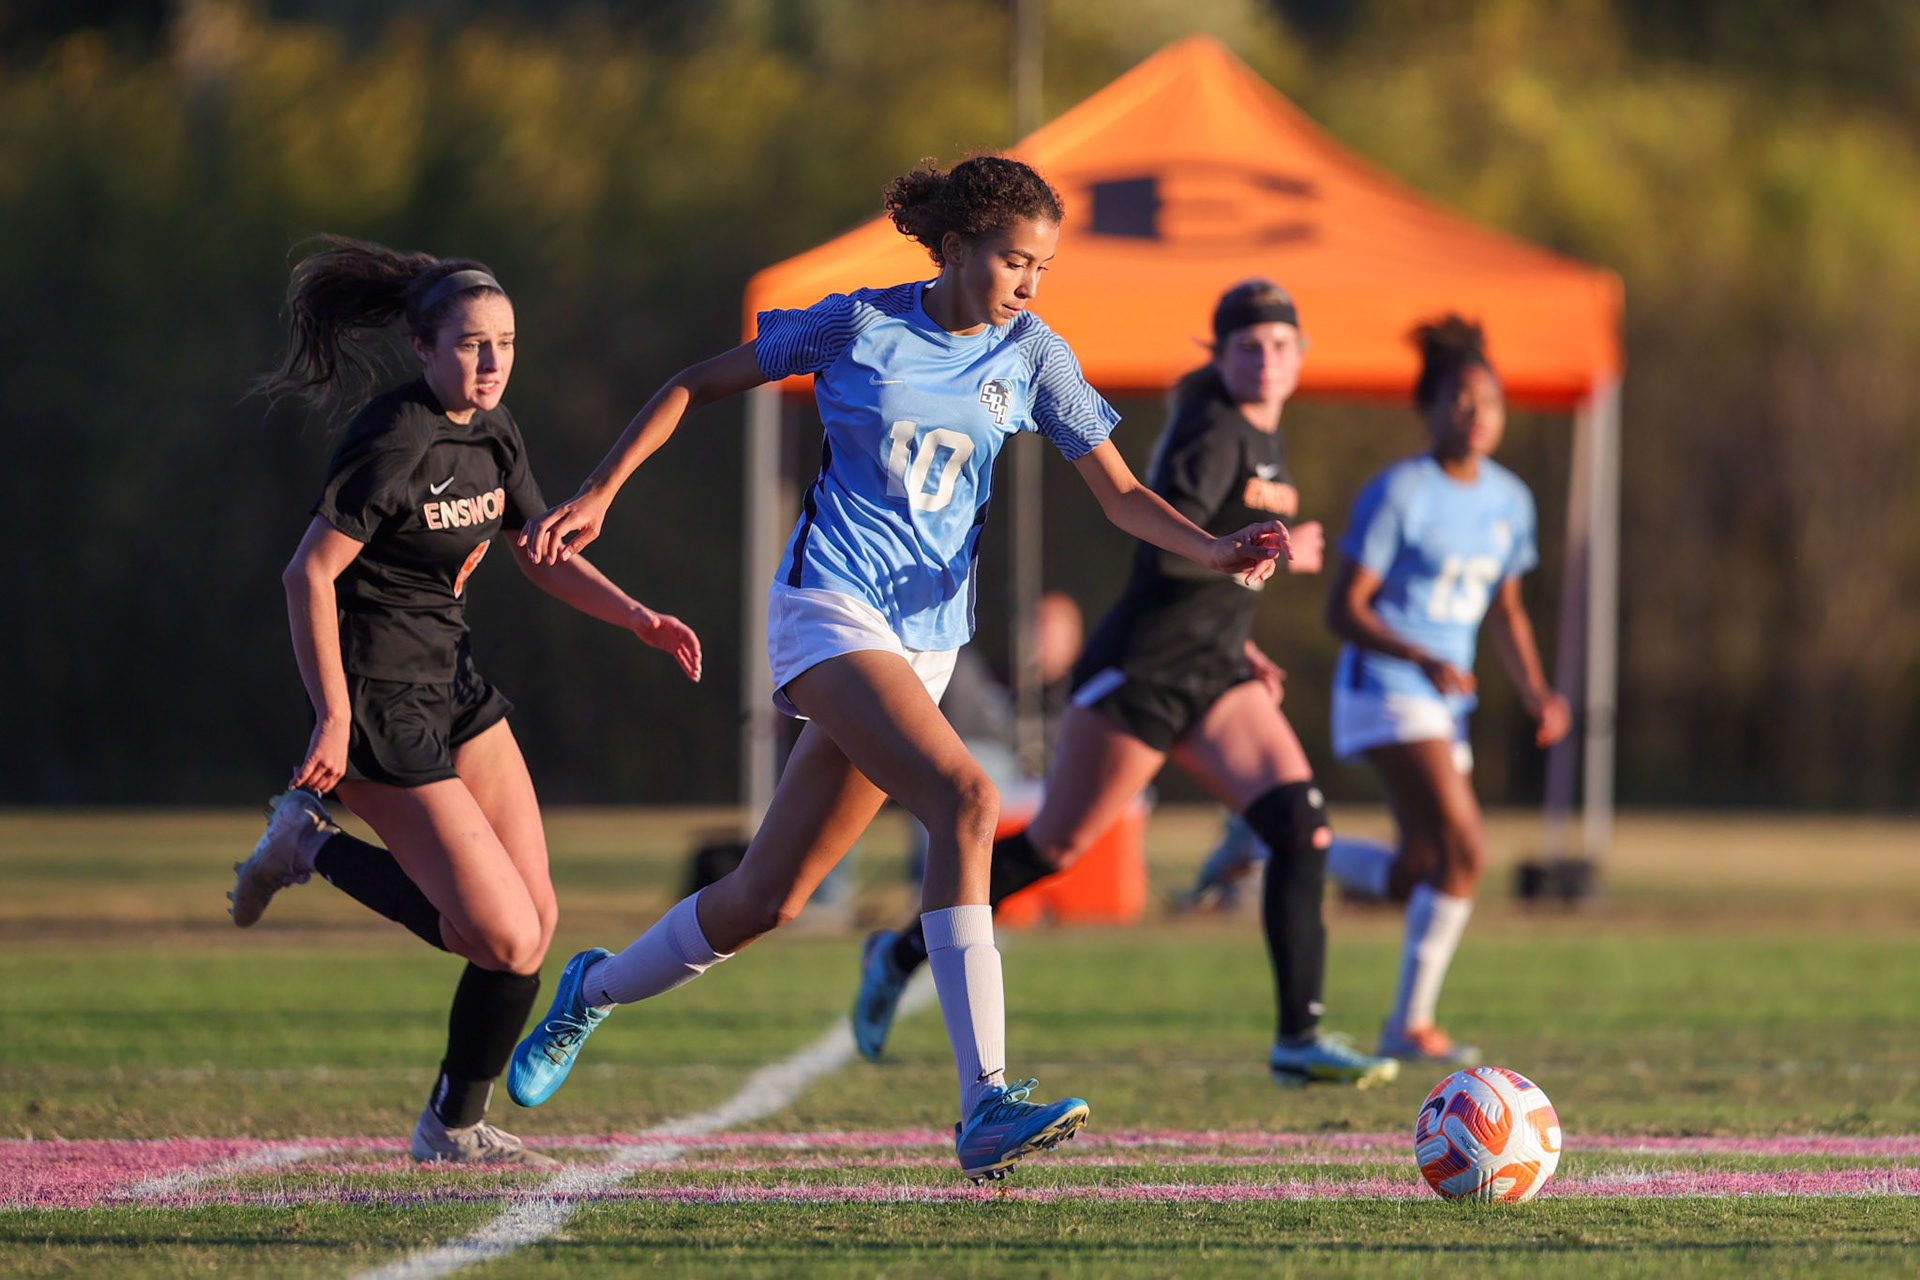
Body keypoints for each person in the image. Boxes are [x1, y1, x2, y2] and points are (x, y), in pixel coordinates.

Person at [503, 156, 1288, 1182]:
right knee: (967, 798)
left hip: (924, 645)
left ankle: (589, 992)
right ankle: (984, 1101)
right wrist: (602, 491)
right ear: (956, 246)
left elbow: (1123, 493)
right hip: (828, 612)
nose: (1030, 283)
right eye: (1015, 259)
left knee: (765, 898)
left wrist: (1217, 546)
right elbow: (694, 384)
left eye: (1044, 265)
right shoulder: (855, 326)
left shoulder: (1033, 353)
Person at [850, 279, 1399, 1090]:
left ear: (1302, 353)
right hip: (1139, 675)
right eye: (1249, 346)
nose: (1267, 360)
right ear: (1222, 356)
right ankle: (897, 952)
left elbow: (1227, 567)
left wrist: (1241, 640)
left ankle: (1298, 1039)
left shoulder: (1264, 433)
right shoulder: (1212, 430)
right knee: (1057, 847)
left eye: (1281, 345)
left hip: (1214, 675)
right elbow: (1165, 548)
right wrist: (1258, 555)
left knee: (1302, 829)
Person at [229, 237, 702, 1166]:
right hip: (377, 705)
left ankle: (452, 1127)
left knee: (531, 924)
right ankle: (309, 844)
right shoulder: (393, 436)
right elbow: (306, 576)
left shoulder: (494, 430)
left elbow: (541, 553)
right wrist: (331, 714)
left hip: (454, 687)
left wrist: (637, 617)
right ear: (422, 347)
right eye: (472, 345)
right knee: (502, 933)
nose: (492, 363)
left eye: (508, 344)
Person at [1321, 315, 1571, 1065]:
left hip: (1443, 701)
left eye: (1489, 401)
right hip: (1385, 688)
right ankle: (1408, 1024)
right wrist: (1421, 655)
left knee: (1422, 871)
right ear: (1427, 409)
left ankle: (1285, 845)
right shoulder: (1401, 492)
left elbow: (1506, 608)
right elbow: (1344, 608)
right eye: (1460, 400)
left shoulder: (1511, 500)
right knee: (1467, 850)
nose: (1476, 414)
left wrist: (1536, 691)